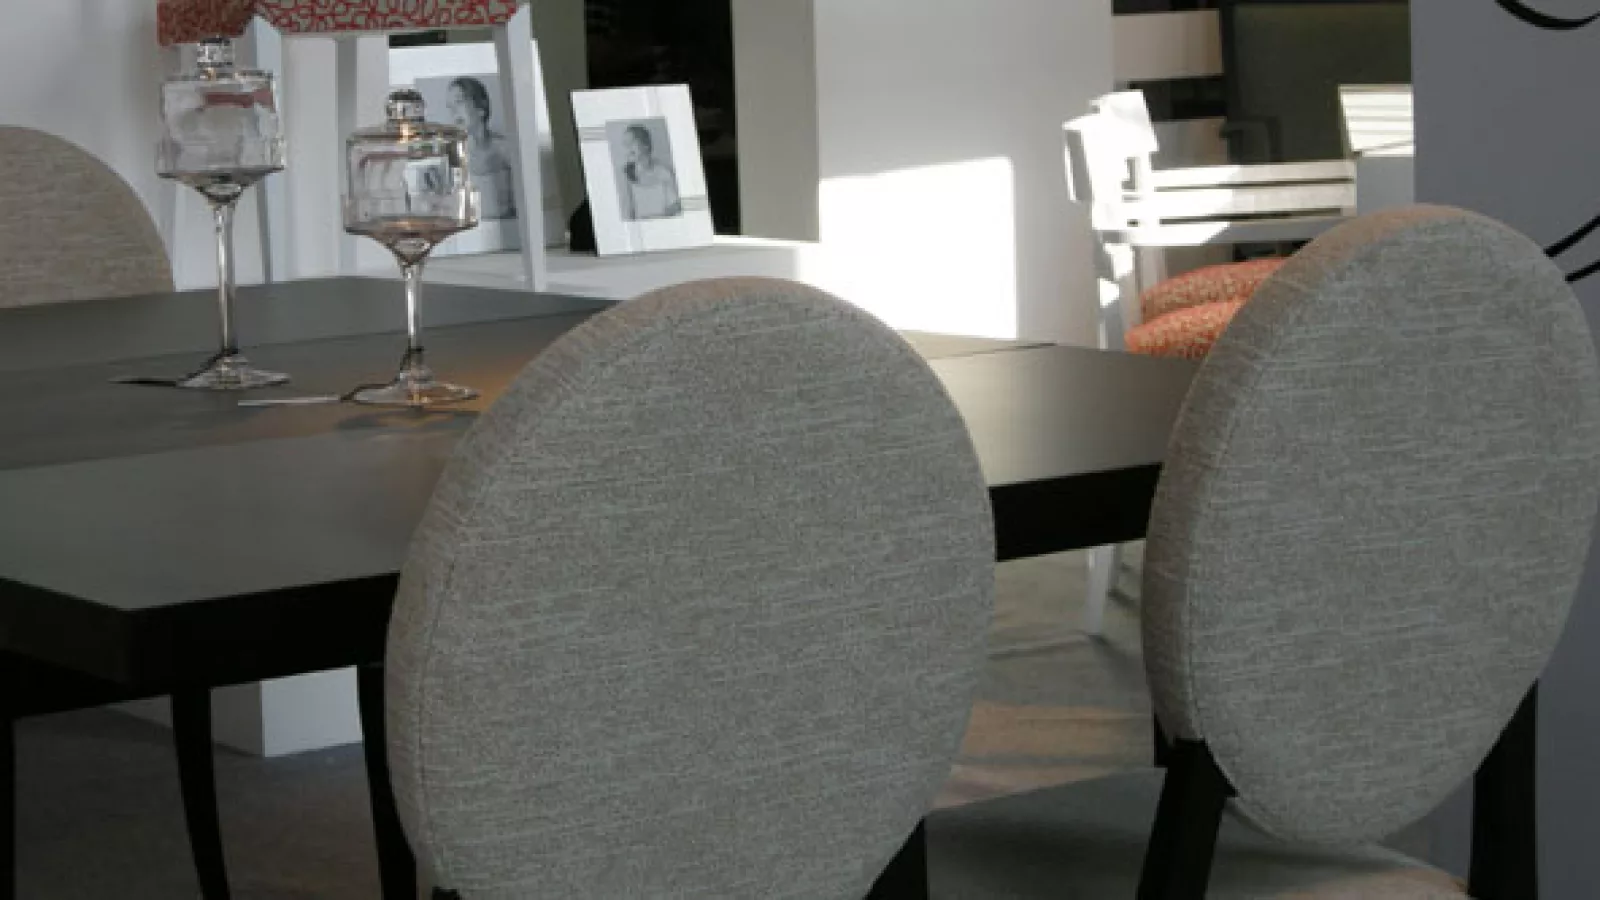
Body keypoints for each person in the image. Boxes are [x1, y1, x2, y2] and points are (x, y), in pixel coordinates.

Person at [445, 77, 516, 219]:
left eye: (459, 102)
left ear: (481, 107)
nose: (454, 112)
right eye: (450, 107)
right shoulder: (449, 157)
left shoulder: (506, 149)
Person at [619, 124, 680, 221]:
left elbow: (676, 206)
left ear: (645, 144)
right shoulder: (626, 175)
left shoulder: (665, 172)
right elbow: (628, 213)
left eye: (631, 142)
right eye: (625, 144)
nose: (628, 148)